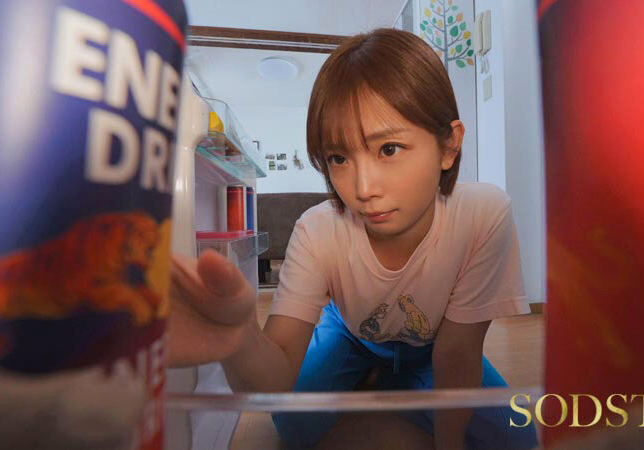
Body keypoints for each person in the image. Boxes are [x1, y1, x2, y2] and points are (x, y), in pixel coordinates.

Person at [170, 28, 538, 449]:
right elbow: (274, 378)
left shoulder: (483, 215)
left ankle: (387, 382)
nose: (363, 189)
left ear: (448, 146)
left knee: (517, 438)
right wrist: (239, 337)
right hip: (351, 333)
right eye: (339, 157)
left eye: (388, 149)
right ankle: (382, 378)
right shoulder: (318, 230)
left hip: (435, 345)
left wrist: (447, 444)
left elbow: (457, 350)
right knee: (293, 423)